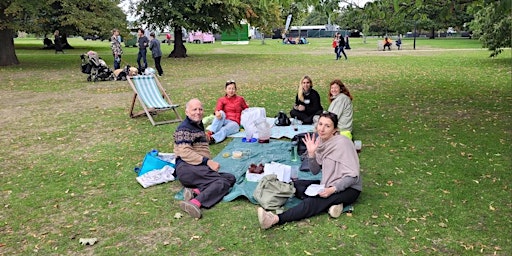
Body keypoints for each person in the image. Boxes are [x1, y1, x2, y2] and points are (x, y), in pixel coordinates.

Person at [257, 111, 362, 229]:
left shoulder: (343, 143)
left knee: (313, 201)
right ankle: (333, 205)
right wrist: (312, 154)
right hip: (329, 183)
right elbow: (315, 171)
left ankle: (275, 219)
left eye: (327, 126)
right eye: (320, 124)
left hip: (349, 189)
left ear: (334, 130)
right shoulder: (321, 142)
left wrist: (331, 190)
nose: (322, 129)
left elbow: (352, 177)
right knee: (298, 185)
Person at [173, 98, 236, 219]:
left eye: (200, 109)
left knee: (230, 178)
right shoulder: (183, 129)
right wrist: (207, 162)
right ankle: (195, 203)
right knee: (221, 182)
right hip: (187, 169)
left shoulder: (197, 125)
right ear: (186, 112)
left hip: (197, 168)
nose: (198, 112)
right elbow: (184, 152)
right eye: (194, 109)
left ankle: (194, 192)